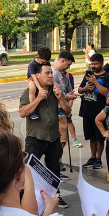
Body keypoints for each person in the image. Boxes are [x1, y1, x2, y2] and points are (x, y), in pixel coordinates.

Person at [20, 63, 72, 208]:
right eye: (47, 73)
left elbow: (67, 111)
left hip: (53, 137)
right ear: (37, 75)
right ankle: (26, 196)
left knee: (54, 167)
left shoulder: (56, 91)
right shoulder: (29, 91)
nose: (50, 76)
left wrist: (60, 98)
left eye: (51, 73)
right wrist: (38, 99)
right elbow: (23, 113)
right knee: (30, 169)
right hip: (35, 138)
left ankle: (56, 195)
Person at [79, 53, 109, 169]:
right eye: (92, 64)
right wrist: (85, 88)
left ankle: (98, 159)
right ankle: (92, 158)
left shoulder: (107, 77)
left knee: (99, 137)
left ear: (102, 63)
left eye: (96, 64)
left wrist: (96, 82)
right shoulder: (88, 75)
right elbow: (79, 89)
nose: (93, 66)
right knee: (91, 136)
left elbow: (107, 93)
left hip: (100, 112)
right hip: (87, 110)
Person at [53, 51, 83, 150]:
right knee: (59, 141)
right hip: (56, 111)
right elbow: (54, 95)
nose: (68, 67)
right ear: (62, 61)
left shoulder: (64, 76)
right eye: (68, 64)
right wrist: (66, 97)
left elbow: (68, 91)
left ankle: (59, 162)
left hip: (64, 110)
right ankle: (57, 162)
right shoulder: (53, 74)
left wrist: (69, 103)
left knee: (63, 140)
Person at [25, 47, 52, 120]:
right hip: (33, 79)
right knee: (32, 88)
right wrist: (40, 89)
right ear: (38, 57)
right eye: (43, 62)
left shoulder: (47, 63)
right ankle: (33, 110)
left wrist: (55, 84)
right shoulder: (32, 64)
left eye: (45, 62)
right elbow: (33, 77)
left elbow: (50, 73)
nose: (44, 63)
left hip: (42, 78)